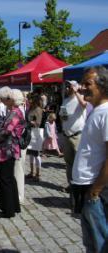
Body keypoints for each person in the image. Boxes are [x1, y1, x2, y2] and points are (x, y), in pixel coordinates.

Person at [71, 66, 108, 253]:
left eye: (88, 83)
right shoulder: (96, 110)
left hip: (95, 189)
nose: (82, 87)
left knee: (100, 243)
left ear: (103, 86)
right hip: (85, 184)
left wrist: (95, 191)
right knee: (91, 242)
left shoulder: (107, 112)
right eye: (82, 83)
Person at [0, 87, 25, 218]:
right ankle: (14, 206)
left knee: (5, 179)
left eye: (9, 97)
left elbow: (7, 130)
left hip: (8, 149)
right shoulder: (14, 111)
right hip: (9, 148)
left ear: (13, 99)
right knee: (10, 178)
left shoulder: (15, 113)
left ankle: (8, 210)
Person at [26, 94, 43, 181]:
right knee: (30, 154)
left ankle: (38, 173)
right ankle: (32, 172)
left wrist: (31, 122)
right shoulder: (30, 109)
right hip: (30, 132)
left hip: (36, 133)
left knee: (36, 154)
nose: (28, 101)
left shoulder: (38, 109)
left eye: (30, 99)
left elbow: (38, 123)